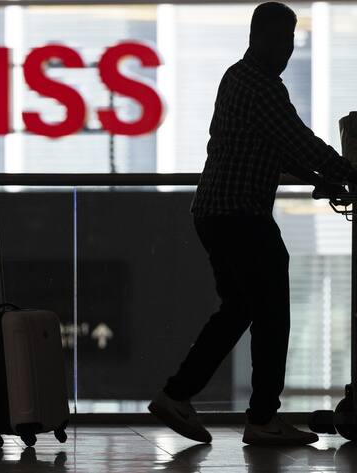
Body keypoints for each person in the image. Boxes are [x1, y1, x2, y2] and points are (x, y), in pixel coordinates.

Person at [148, 1, 357, 446]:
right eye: (282, 39)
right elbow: (299, 141)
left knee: (238, 310)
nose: (287, 48)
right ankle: (262, 418)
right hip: (242, 214)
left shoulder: (234, 77)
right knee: (272, 315)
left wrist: (319, 181)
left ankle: (176, 394)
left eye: (291, 40)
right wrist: (349, 173)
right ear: (258, 37)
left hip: (214, 212)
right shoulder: (262, 87)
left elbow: (275, 150)